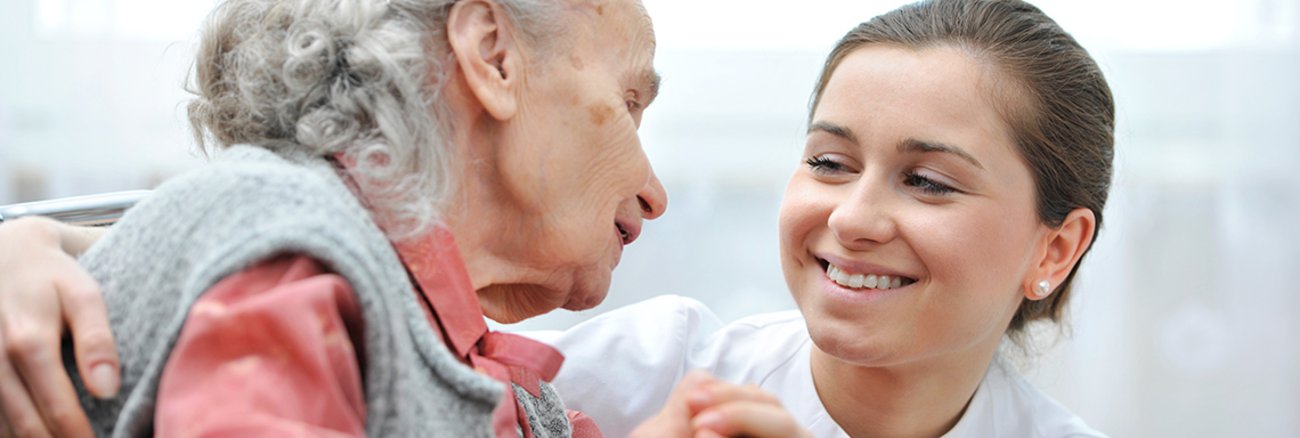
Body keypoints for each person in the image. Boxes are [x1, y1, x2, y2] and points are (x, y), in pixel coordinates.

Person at [1, 0, 1113, 436]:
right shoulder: (291, 256)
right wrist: (24, 240)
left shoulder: (513, 383)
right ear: (490, 54)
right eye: (630, 99)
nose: (655, 188)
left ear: (1054, 248)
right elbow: (220, 237)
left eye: (930, 181)